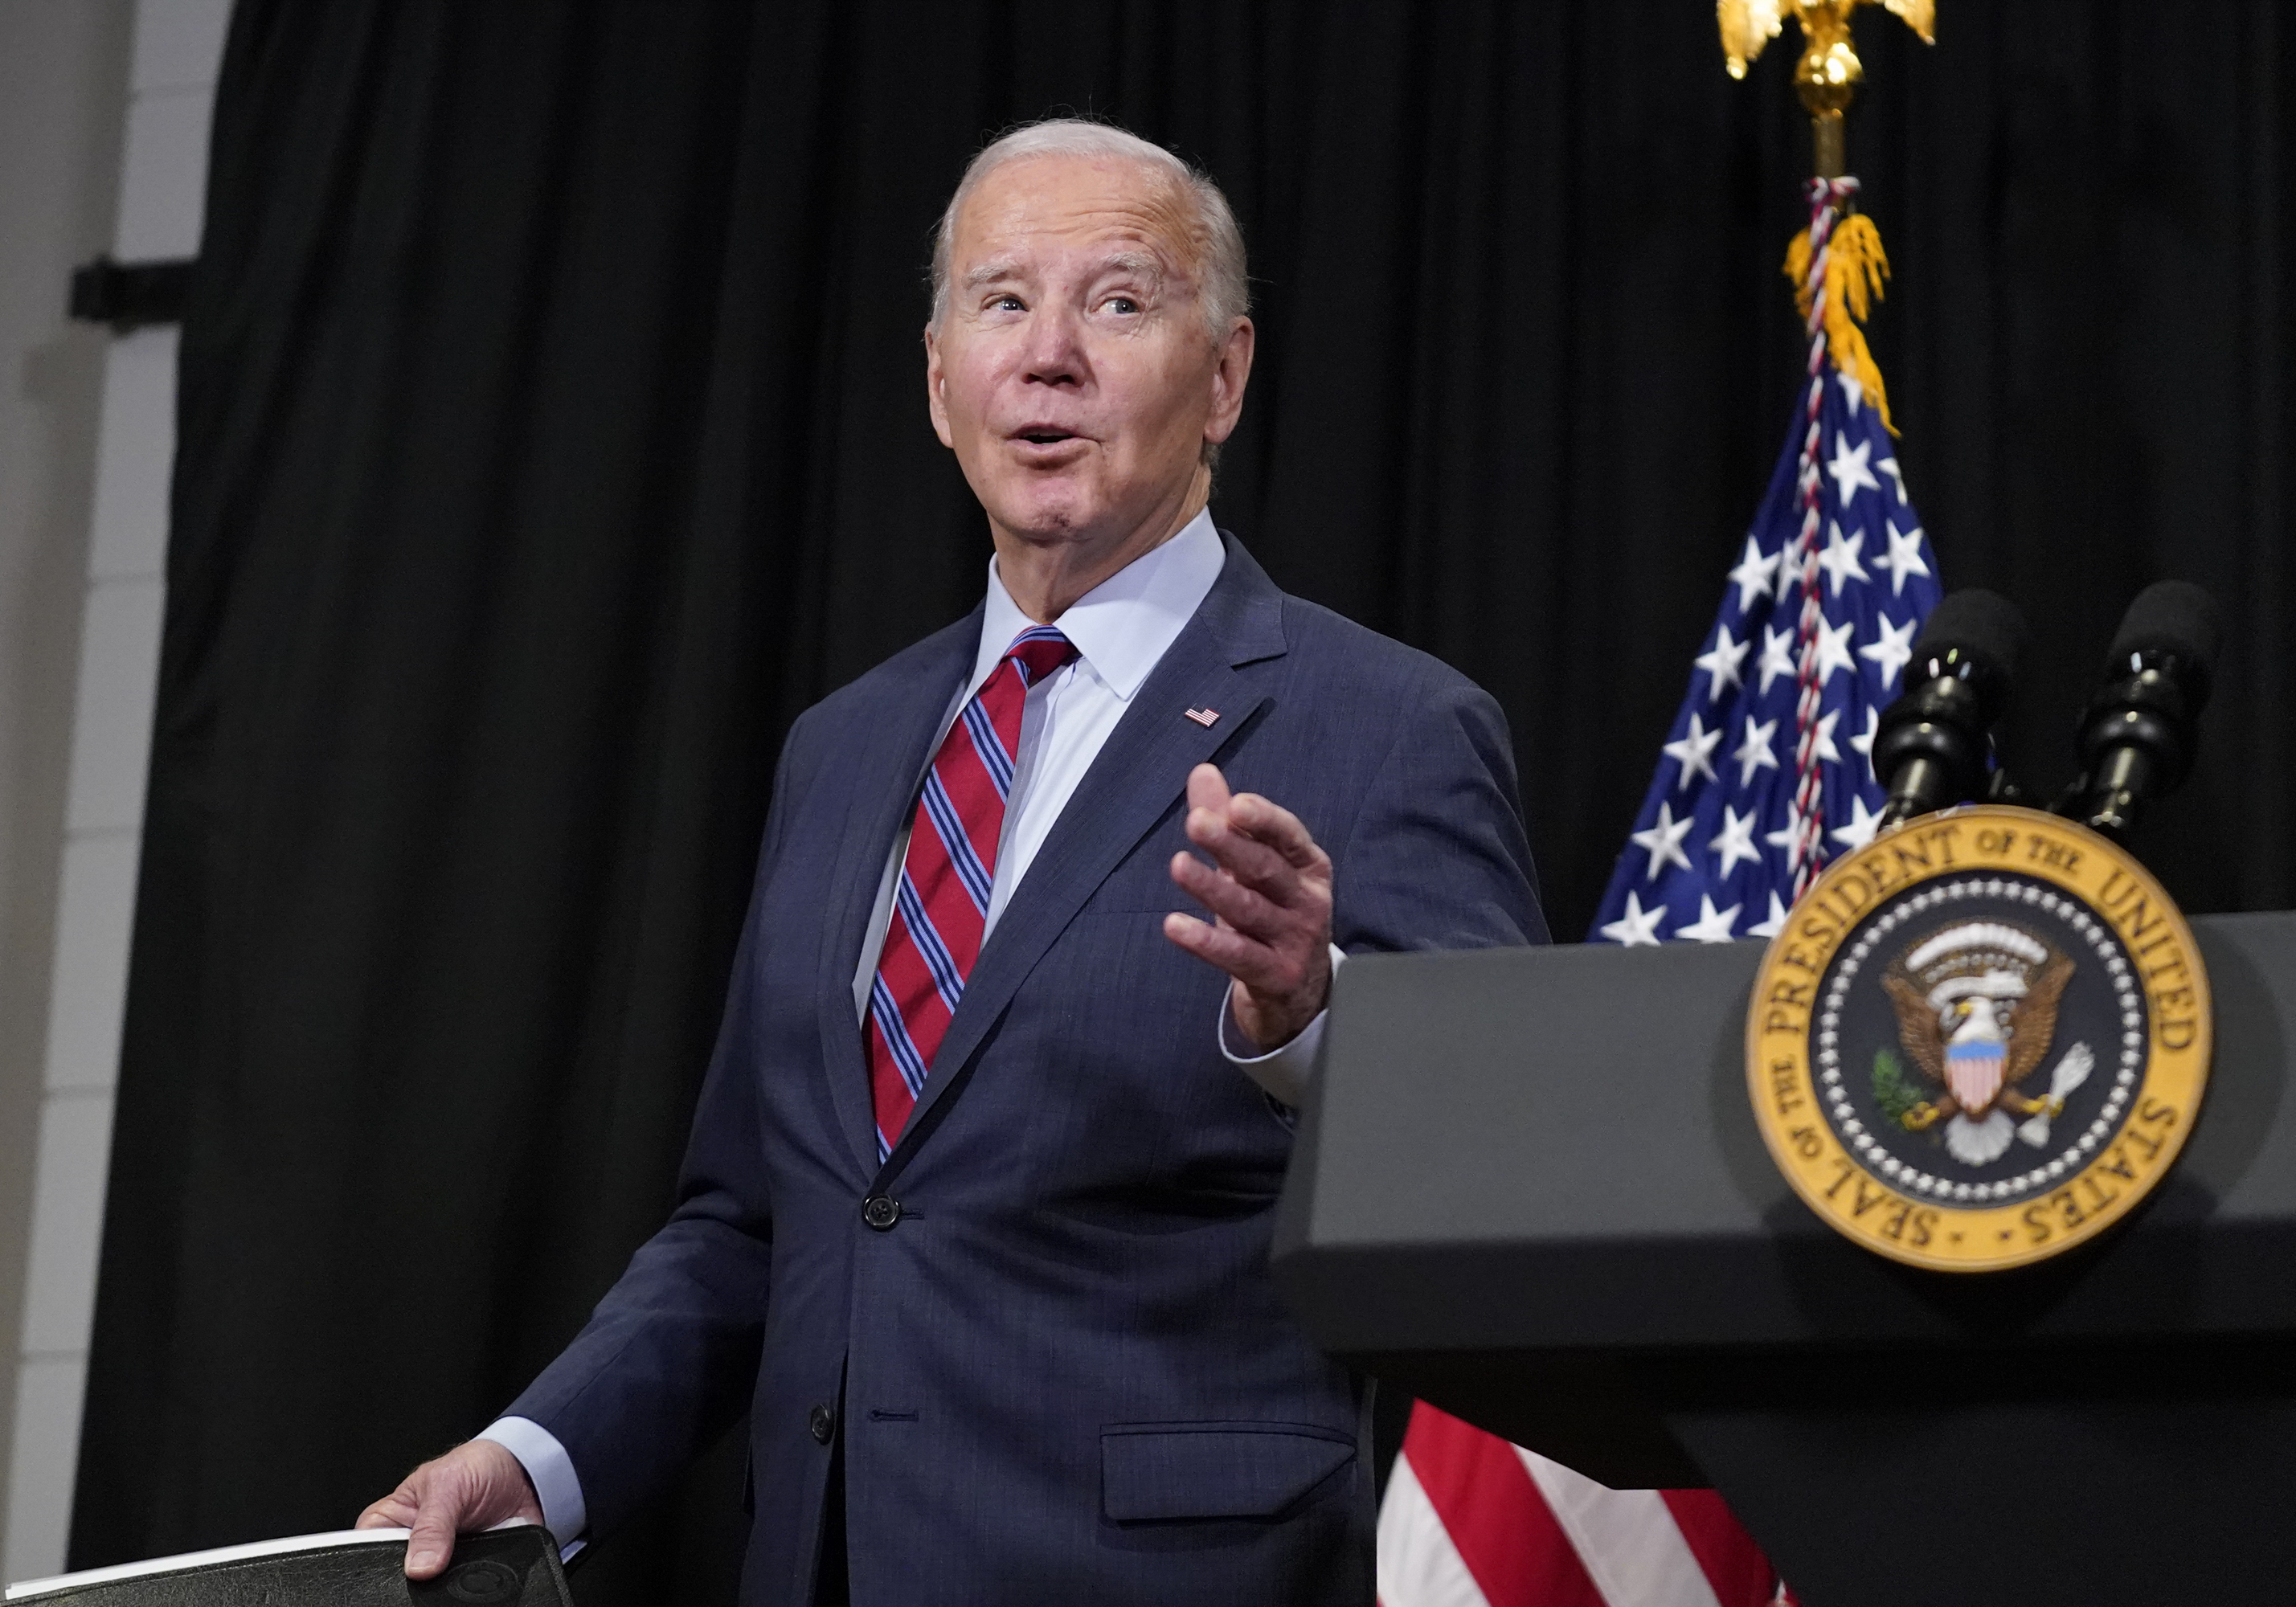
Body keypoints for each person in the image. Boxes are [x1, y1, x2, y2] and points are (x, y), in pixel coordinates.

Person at [360, 117, 1545, 1605]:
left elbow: (1507, 1176)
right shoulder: (841, 748)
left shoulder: (1388, 726)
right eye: (1000, 301)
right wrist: (538, 1459)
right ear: (940, 383)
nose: (1049, 355)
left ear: (1226, 375)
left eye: (1117, 301)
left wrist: (1315, 1023)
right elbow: (759, 1217)